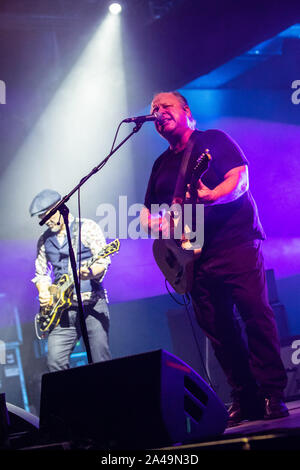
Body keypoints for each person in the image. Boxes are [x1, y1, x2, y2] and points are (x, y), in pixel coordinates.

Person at [141, 91, 289, 426]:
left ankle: (273, 393)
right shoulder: (161, 165)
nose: (158, 112)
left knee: (256, 314)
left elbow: (240, 180)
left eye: (165, 106)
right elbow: (146, 213)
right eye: (153, 110)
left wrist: (212, 196)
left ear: (186, 111)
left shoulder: (213, 142)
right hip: (194, 255)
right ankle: (245, 396)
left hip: (234, 242)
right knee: (218, 329)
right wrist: (159, 223)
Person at [30, 189, 111, 371]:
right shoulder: (43, 240)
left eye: (48, 215)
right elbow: (41, 273)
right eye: (42, 217)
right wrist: (43, 292)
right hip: (61, 311)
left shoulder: (87, 227)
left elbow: (103, 261)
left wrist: (90, 272)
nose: (46, 221)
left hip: (92, 305)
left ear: (59, 208)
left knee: (101, 361)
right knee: (54, 361)